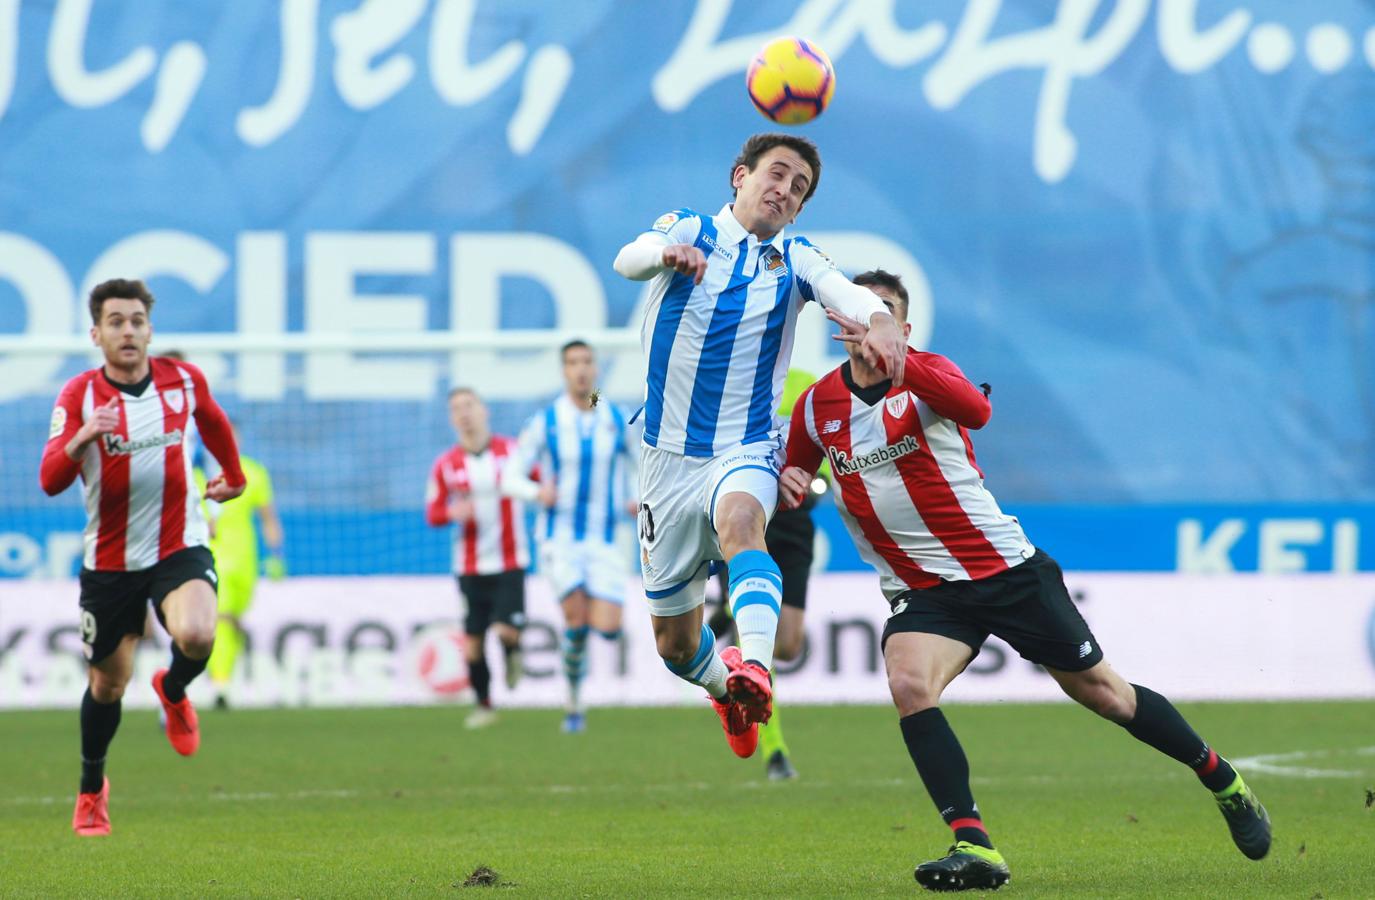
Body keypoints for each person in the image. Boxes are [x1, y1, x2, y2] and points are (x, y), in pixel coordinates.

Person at [777, 270, 1272, 890]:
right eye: (861, 313)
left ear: (902, 330)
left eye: (885, 316)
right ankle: (975, 846)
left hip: (1004, 570)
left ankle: (1221, 777)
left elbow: (976, 410)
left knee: (1105, 695)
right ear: (842, 326)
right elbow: (795, 474)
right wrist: (790, 485)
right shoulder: (817, 405)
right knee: (908, 682)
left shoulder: (930, 375)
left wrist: (905, 367)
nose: (870, 327)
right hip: (925, 593)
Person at [613, 132, 907, 758]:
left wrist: (879, 320)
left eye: (798, 188)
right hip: (665, 462)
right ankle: (727, 692)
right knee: (672, 645)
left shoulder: (794, 255)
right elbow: (629, 258)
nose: (784, 190)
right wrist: (667, 254)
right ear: (739, 176)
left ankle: (756, 670)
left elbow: (840, 289)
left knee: (743, 522)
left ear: (799, 210)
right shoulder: (689, 228)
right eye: (776, 174)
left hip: (744, 446)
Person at [41, 279, 245, 837]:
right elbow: (50, 479)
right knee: (108, 685)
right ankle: (91, 789)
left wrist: (235, 473)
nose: (127, 330)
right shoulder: (78, 396)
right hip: (110, 563)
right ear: (96, 333)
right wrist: (83, 436)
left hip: (178, 543)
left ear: (149, 330)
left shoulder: (182, 381)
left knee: (199, 634)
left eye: (136, 320)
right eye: (115, 321)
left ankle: (174, 690)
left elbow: (215, 421)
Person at [504, 340, 638, 733]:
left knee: (609, 629)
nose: (581, 369)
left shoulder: (614, 416)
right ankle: (574, 702)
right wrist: (536, 492)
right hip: (557, 536)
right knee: (575, 620)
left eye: (586, 362)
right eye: (573, 363)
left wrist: (637, 497)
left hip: (605, 539)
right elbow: (510, 476)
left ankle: (574, 683)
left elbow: (642, 464)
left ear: (595, 369)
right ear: (564, 372)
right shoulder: (545, 422)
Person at [708, 367, 828, 779]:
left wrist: (818, 481)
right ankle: (774, 751)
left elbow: (825, 448)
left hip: (793, 519)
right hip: (744, 512)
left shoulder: (807, 385)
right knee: (759, 632)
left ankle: (727, 607)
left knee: (790, 644)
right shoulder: (733, 379)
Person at [426, 387, 528, 729]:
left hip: (510, 560)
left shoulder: (513, 452)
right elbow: (433, 513)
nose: (463, 413)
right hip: (469, 566)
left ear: (484, 411)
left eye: (469, 405)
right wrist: (453, 511)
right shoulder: (446, 465)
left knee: (505, 631)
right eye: (456, 409)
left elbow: (540, 482)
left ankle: (513, 652)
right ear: (452, 419)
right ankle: (484, 705)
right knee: (472, 644)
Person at [201, 428, 286, 709]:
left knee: (234, 620)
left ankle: (225, 677)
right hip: (213, 555)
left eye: (234, 436)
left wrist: (275, 555)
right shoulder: (198, 474)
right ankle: (220, 684)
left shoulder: (254, 472)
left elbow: (268, 517)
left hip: (245, 559)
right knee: (221, 617)